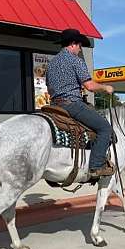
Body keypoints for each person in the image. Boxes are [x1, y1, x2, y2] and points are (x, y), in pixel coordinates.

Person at [46, 28, 116, 178]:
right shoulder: (75, 61)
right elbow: (89, 86)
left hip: (53, 106)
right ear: (72, 44)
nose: (80, 49)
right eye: (79, 46)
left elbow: (49, 88)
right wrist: (105, 87)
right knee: (105, 129)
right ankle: (96, 166)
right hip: (71, 105)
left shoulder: (51, 64)